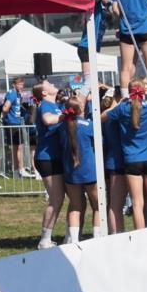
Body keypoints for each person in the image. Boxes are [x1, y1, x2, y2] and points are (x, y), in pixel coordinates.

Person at [101, 79, 147, 230]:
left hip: (132, 161)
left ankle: (139, 238)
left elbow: (102, 116)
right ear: (144, 90)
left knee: (137, 204)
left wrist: (120, 102)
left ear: (128, 90)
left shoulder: (122, 108)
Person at [59, 95, 100, 244]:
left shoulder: (61, 126)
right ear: (81, 108)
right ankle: (97, 239)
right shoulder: (89, 125)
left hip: (71, 171)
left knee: (75, 206)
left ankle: (74, 240)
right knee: (98, 206)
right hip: (89, 170)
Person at [31, 80, 66, 247]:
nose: (53, 83)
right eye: (48, 84)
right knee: (56, 199)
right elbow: (47, 120)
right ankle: (44, 239)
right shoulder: (45, 105)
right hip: (47, 158)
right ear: (44, 93)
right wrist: (66, 115)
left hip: (56, 156)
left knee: (59, 198)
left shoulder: (56, 104)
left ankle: (52, 236)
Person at [99, 91, 127, 234]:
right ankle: (116, 233)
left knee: (114, 202)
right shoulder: (114, 115)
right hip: (117, 162)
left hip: (111, 160)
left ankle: (116, 232)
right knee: (116, 204)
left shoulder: (108, 114)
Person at [78, 0, 116, 73]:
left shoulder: (104, 8)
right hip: (86, 47)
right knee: (89, 79)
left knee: (93, 79)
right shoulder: (95, 5)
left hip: (94, 47)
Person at [1, 76, 35, 178]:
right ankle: (17, 170)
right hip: (12, 124)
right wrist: (6, 118)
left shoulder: (18, 94)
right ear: (14, 85)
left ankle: (20, 169)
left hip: (17, 123)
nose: (21, 86)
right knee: (15, 148)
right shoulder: (12, 93)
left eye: (22, 84)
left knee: (19, 147)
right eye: (19, 84)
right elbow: (5, 107)